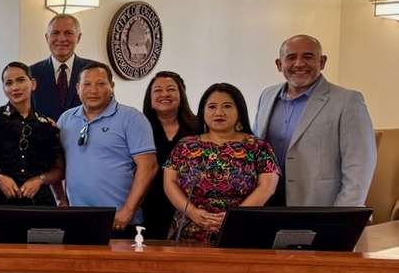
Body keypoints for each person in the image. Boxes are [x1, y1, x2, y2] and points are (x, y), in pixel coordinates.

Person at [255, 34, 376, 207]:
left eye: (308, 56)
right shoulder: (267, 96)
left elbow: (359, 167)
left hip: (317, 208)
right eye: (291, 57)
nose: (299, 63)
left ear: (322, 62)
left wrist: (342, 217)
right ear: (279, 64)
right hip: (267, 205)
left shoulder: (348, 101)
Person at [165, 83, 280, 244]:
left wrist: (234, 217)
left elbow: (267, 187)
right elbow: (169, 182)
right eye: (212, 107)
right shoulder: (185, 145)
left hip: (241, 228)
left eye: (227, 106)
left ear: (239, 110)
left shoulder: (258, 147)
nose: (219, 112)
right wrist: (192, 212)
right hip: (190, 228)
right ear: (203, 112)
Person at [56, 63, 157, 234]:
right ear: (78, 88)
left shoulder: (131, 118)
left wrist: (128, 211)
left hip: (119, 221)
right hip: (76, 218)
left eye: (101, 84)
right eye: (87, 84)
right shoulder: (66, 119)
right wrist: (61, 200)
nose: (93, 90)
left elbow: (149, 167)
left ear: (112, 87)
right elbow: (56, 164)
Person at [0, 62, 64, 206]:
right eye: (8, 83)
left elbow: (59, 169)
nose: (15, 87)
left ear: (33, 84)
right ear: (4, 88)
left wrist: (40, 180)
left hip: (39, 203)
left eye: (20, 80)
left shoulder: (48, 124)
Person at [140, 71, 200, 238]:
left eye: (171, 89)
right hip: (148, 205)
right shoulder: (139, 128)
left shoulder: (199, 128)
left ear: (181, 95)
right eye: (158, 90)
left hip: (189, 207)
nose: (164, 94)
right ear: (150, 98)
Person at [30, 14, 104, 120]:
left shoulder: (97, 71)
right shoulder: (31, 73)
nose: (61, 38)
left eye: (68, 33)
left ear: (78, 38)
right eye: (55, 33)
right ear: (47, 37)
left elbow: (108, 112)